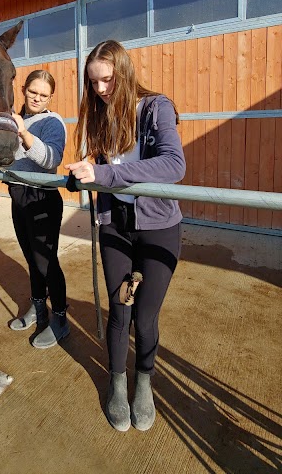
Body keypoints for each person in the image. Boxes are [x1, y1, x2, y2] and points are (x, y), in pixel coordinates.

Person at [66, 40, 186, 432]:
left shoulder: (155, 108)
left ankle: (144, 382)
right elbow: (100, 162)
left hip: (159, 228)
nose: (100, 90)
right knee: (120, 311)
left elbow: (172, 164)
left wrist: (104, 176)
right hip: (115, 224)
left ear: (124, 70)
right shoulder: (100, 115)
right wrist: (86, 166)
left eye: (107, 80)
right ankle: (118, 382)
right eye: (94, 83)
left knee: (146, 315)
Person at [7, 70, 69, 349]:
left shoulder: (52, 122)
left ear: (50, 97)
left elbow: (51, 159)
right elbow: (5, 160)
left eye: (44, 95)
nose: (37, 98)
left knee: (46, 261)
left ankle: (60, 318)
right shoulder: (15, 119)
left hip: (42, 199)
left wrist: (23, 132)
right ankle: (37, 307)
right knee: (31, 258)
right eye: (33, 92)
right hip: (18, 196)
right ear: (24, 89)